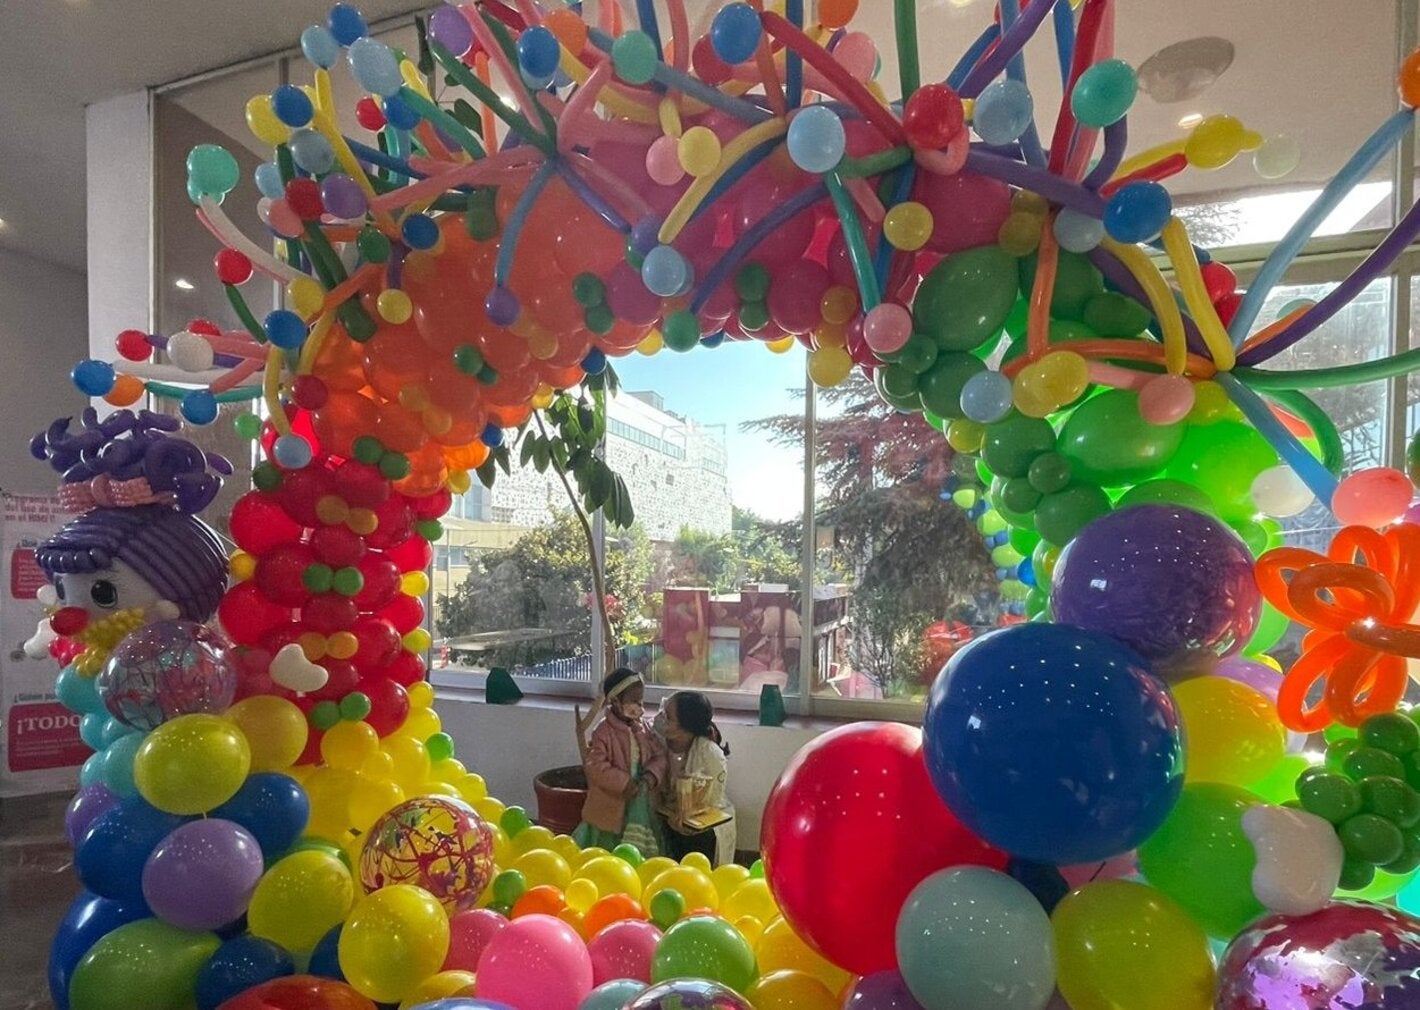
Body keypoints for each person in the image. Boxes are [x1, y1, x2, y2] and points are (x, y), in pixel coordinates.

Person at [573, 668, 667, 857]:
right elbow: (596, 766)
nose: (639, 707)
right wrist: (623, 783)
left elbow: (660, 756)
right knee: (609, 843)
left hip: (640, 798)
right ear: (615, 702)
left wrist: (650, 776)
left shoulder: (644, 728)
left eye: (641, 701)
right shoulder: (603, 732)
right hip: (614, 799)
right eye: (633, 702)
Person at [659, 691, 736, 866]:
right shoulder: (659, 744)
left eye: (668, 717)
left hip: (703, 825)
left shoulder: (710, 754)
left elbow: (707, 802)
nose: (661, 720)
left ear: (684, 727)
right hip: (670, 818)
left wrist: (682, 815)